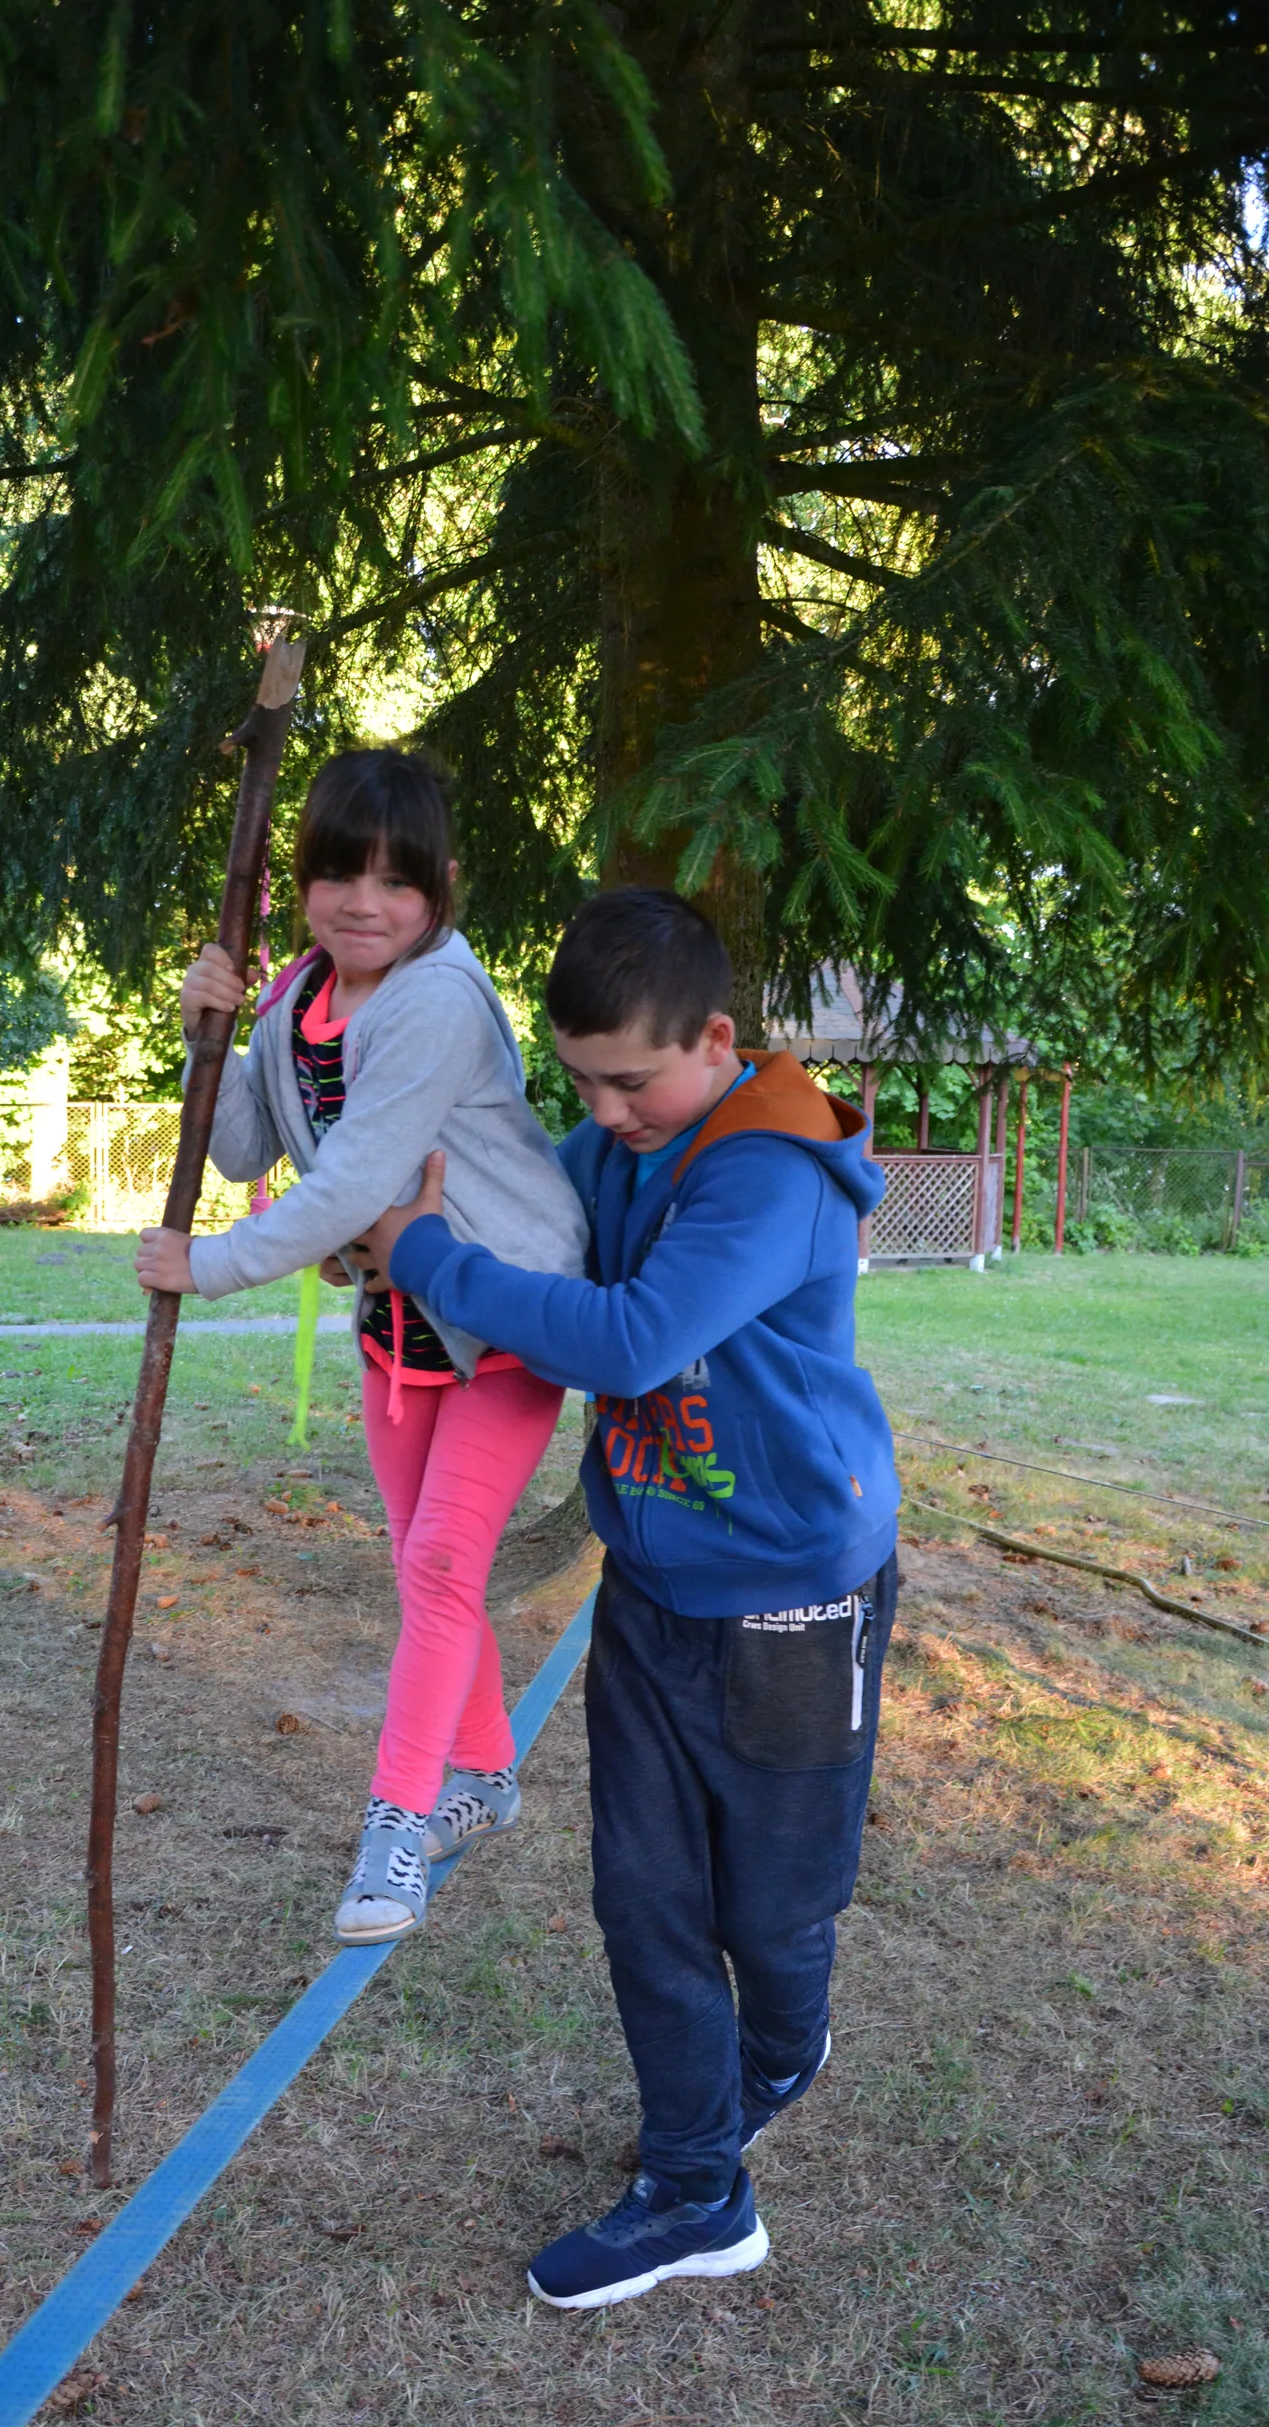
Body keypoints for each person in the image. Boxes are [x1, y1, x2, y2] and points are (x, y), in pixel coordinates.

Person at [362, 886, 900, 2309]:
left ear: (714, 1039)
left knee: (772, 1910)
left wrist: (426, 1255)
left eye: (629, 1078)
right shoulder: (611, 1149)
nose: (601, 1113)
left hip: (790, 1596)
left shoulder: (766, 1173)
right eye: (579, 1080)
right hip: (653, 1590)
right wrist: (353, 1181)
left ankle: (781, 2049)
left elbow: (633, 1335)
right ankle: (692, 2189)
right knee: (643, 1898)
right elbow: (511, 1202)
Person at [134, 748, 588, 1945]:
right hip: (401, 1332)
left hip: (507, 1318)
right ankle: (483, 1779)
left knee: (441, 1566)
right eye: (341, 874)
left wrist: (212, 1267)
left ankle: (399, 1822)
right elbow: (239, 1148)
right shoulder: (296, 998)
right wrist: (208, 1035)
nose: (366, 903)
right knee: (423, 1567)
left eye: (397, 880)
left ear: (439, 888)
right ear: (305, 884)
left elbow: (350, 1186)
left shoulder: (436, 997)